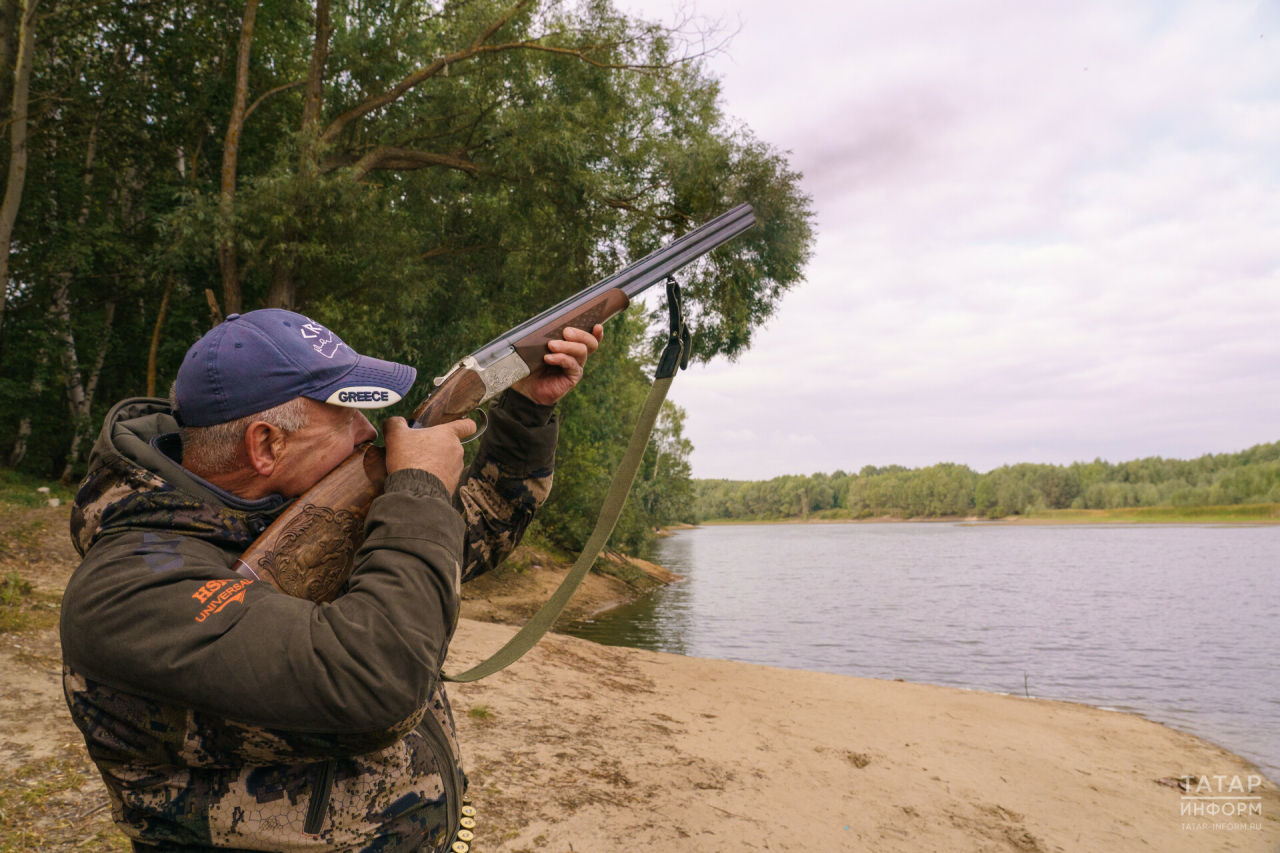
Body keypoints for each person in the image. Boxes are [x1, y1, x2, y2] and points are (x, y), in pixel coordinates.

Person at [59, 308, 602, 853]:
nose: (372, 430)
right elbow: (378, 685)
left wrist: (528, 410)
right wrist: (416, 488)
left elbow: (475, 532)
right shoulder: (126, 595)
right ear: (266, 444)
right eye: (348, 413)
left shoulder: (298, 512)